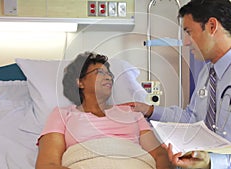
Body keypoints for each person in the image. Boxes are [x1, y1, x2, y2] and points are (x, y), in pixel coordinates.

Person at [122, 0, 231, 168]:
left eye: (189, 32)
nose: (185, 42)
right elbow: (192, 118)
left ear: (212, 26)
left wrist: (213, 162)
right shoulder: (207, 72)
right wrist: (150, 110)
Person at [35, 52, 173, 169]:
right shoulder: (62, 114)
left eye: (109, 74)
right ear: (80, 82)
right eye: (99, 72)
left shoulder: (131, 113)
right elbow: (47, 164)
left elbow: (159, 155)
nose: (108, 77)